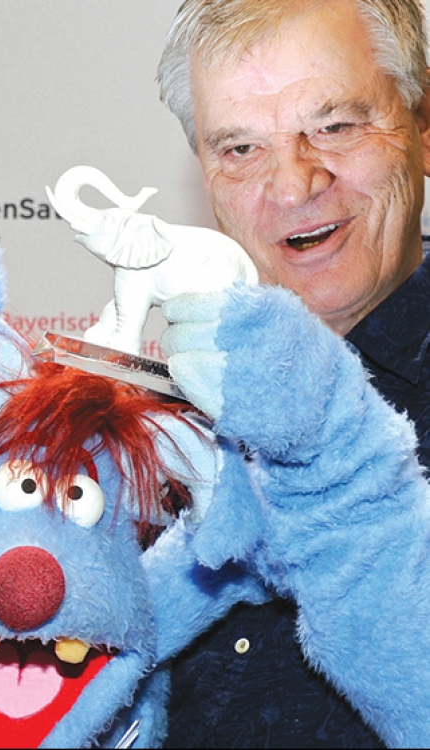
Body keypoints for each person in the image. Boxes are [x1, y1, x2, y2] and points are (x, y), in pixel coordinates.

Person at [154, 0, 430, 747]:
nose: (293, 184)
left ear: (423, 125)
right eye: (241, 147)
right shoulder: (156, 423)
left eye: (335, 126)